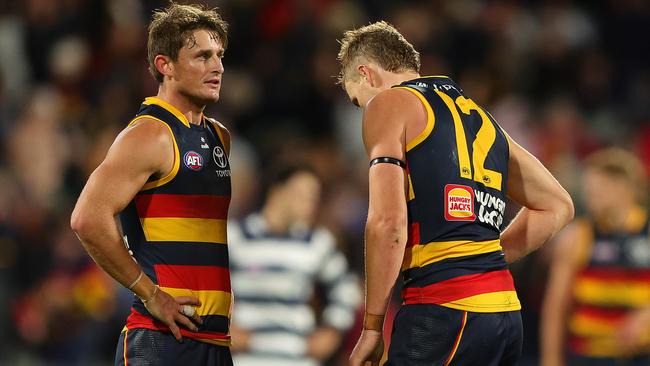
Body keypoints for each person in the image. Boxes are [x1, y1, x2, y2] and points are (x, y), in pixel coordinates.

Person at [336, 21, 574, 366]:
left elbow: (388, 222)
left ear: (366, 73)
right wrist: (481, 262)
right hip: (505, 317)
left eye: (358, 100)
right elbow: (557, 206)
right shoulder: (480, 116)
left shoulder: (389, 103)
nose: (364, 110)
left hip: (444, 312)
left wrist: (372, 327)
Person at [70, 4, 234, 365]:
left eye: (219, 56)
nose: (217, 67)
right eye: (203, 56)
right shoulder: (149, 134)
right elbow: (87, 218)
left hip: (215, 343)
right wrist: (150, 294)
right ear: (165, 65)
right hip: (160, 341)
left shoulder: (219, 136)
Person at [227, 164, 361, 366]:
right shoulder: (236, 236)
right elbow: (201, 286)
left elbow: (347, 288)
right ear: (277, 191)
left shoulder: (316, 242)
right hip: (245, 359)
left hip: (298, 358)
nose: (310, 204)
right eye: (303, 194)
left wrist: (332, 331)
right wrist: (222, 327)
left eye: (314, 198)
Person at [541, 148, 650, 366]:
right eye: (588, 190)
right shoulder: (579, 236)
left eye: (598, 190)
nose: (590, 198)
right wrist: (551, 360)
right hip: (590, 356)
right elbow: (555, 308)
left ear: (624, 188)